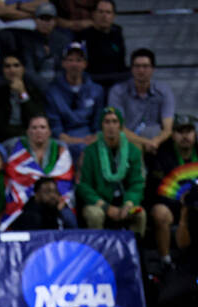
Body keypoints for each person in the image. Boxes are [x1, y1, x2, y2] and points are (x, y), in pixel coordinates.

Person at [77, 106, 146, 236]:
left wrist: (129, 203)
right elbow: (82, 185)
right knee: (94, 215)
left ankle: (135, 251)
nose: (111, 126)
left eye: (115, 121)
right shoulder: (90, 152)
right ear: (101, 126)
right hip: (98, 203)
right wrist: (105, 206)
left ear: (120, 126)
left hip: (124, 202)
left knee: (140, 214)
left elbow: (137, 183)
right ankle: (98, 252)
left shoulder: (133, 151)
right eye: (107, 122)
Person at [1, 115, 76, 230]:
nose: (38, 131)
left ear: (49, 132)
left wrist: (62, 199)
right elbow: (15, 178)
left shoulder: (60, 150)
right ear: (28, 131)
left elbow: (65, 179)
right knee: (31, 218)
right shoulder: (17, 150)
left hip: (55, 199)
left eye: (42, 127)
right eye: (34, 128)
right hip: (27, 200)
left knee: (68, 218)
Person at [148, 114, 198, 268]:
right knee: (160, 213)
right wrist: (181, 203)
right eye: (180, 131)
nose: (185, 136)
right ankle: (166, 262)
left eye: (188, 131)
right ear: (173, 135)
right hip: (171, 205)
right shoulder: (162, 155)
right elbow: (155, 192)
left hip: (195, 206)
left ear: (195, 134)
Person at [45, 41, 104, 163]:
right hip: (64, 139)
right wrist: (76, 141)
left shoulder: (97, 90)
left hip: (90, 137)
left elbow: (98, 123)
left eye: (78, 60)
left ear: (85, 64)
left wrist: (94, 137)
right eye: (70, 60)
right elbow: (55, 127)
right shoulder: (52, 91)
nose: (74, 64)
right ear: (63, 63)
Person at [108, 48, 174, 156]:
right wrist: (145, 142)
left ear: (152, 69)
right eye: (137, 66)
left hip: (156, 140)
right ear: (131, 69)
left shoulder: (164, 91)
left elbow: (167, 129)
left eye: (145, 66)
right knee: (134, 146)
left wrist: (155, 142)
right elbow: (119, 127)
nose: (141, 70)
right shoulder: (118, 91)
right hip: (128, 138)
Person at [0, 52, 45, 143]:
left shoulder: (34, 92)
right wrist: (25, 133)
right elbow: (0, 126)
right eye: (7, 66)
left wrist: (23, 93)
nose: (12, 70)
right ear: (3, 70)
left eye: (16, 65)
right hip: (7, 140)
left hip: (33, 139)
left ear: (23, 69)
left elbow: (37, 119)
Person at [74, 0, 127, 91]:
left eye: (108, 12)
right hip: (92, 80)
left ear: (114, 16)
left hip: (116, 80)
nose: (104, 16)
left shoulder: (117, 33)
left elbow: (121, 62)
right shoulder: (83, 36)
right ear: (94, 14)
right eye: (101, 12)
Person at [21, 2, 72, 93]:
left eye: (49, 19)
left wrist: (55, 85)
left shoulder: (63, 40)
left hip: (59, 86)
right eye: (42, 18)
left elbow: (66, 67)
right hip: (33, 87)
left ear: (55, 21)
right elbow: (28, 70)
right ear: (35, 20)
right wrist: (45, 87)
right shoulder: (26, 40)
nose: (45, 23)